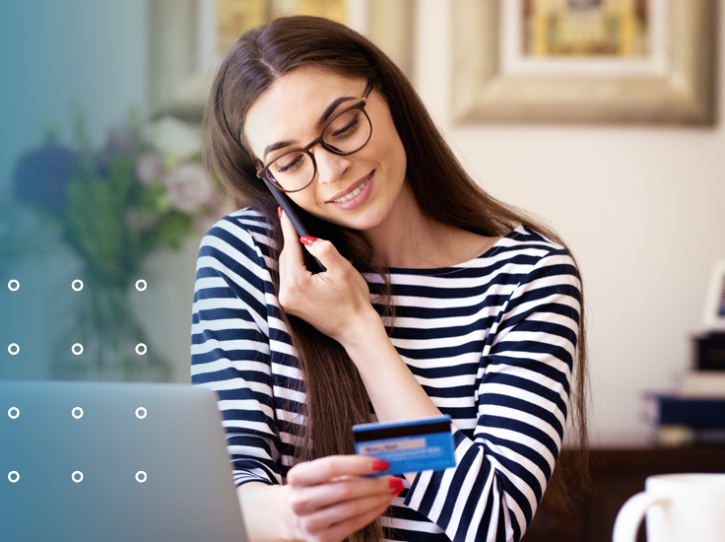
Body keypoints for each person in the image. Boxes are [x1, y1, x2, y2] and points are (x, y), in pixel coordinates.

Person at [191, 16, 588, 542]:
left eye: (344, 128)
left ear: (390, 98)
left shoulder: (527, 277)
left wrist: (361, 332)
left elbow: (489, 522)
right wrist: (291, 516)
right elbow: (223, 489)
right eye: (289, 161)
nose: (332, 172)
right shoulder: (247, 257)